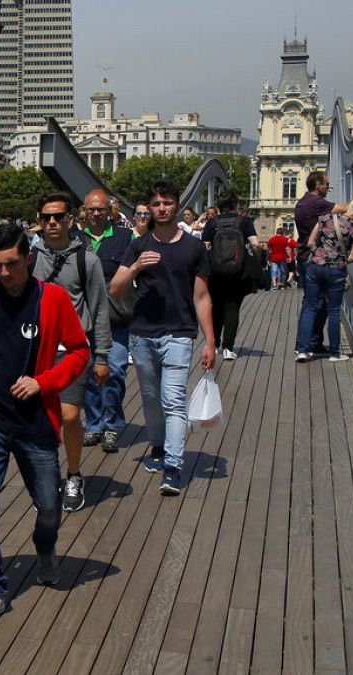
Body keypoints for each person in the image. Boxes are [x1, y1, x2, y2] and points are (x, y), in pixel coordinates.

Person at [0, 223, 89, 625]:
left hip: (35, 424)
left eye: (11, 264)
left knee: (49, 507)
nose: (4, 273)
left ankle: (45, 550)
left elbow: (79, 351)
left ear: (28, 258)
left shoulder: (53, 299)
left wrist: (43, 382)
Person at [110, 180, 216, 496]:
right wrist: (135, 268)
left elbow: (201, 297)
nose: (162, 208)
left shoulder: (194, 248)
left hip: (179, 334)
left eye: (167, 202)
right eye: (156, 204)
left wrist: (210, 341)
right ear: (149, 209)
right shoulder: (139, 246)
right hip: (142, 334)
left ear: (177, 205)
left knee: (172, 400)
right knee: (151, 399)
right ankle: (157, 445)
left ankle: (172, 466)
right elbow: (115, 288)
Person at [30, 192, 111, 512]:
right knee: (41, 419)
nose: (53, 223)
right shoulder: (30, 258)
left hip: (72, 350)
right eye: (46, 217)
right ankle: (48, 476)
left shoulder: (86, 260)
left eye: (59, 217)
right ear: (39, 221)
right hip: (36, 350)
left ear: (70, 220)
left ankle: (74, 474)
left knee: (70, 414)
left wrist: (102, 356)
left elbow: (100, 308)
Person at [79, 189, 136, 455]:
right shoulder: (76, 239)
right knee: (89, 373)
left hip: (116, 317)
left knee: (114, 371)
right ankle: (93, 423)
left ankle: (112, 425)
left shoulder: (126, 238)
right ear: (84, 211)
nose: (96, 213)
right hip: (85, 319)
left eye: (101, 209)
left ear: (109, 211)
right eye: (91, 209)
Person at [293, 172, 353, 359]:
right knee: (323, 305)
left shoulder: (302, 202)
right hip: (323, 262)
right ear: (318, 185)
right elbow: (348, 209)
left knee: (311, 304)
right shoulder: (317, 203)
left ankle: (305, 346)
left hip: (306, 258)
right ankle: (312, 344)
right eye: (327, 184)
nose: (329, 187)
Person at [201, 190, 262, 361]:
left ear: (219, 206)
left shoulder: (212, 223)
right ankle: (228, 347)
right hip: (237, 272)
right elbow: (256, 244)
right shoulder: (243, 221)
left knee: (216, 308)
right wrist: (255, 261)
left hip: (215, 272)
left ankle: (213, 344)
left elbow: (205, 246)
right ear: (235, 205)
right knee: (232, 308)